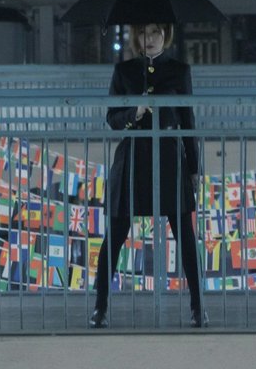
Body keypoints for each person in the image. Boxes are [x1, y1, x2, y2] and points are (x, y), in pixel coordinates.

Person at [89, 22, 206, 328]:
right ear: (135, 37)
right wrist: (135, 111)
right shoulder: (124, 71)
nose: (150, 39)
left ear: (166, 35)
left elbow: (188, 120)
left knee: (186, 235)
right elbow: (112, 118)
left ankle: (198, 307)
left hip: (169, 157)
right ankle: (100, 307)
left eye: (155, 32)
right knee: (114, 235)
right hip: (132, 158)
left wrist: (194, 167)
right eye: (143, 33)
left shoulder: (179, 71)